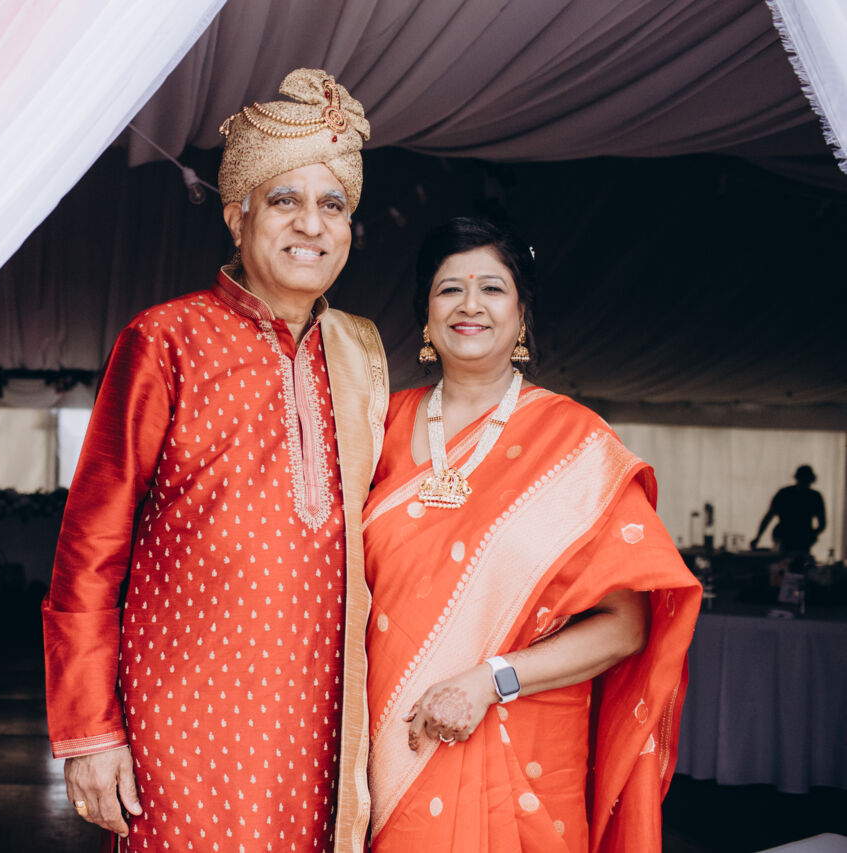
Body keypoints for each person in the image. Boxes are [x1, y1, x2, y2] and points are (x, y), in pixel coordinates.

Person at [42, 68, 386, 852]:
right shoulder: (166, 339)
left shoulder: (359, 355)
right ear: (237, 215)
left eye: (332, 203)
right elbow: (90, 546)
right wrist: (91, 730)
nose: (311, 224)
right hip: (182, 722)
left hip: (324, 722)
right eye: (284, 199)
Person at [363, 217, 700, 852]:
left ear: (521, 315)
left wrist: (491, 679)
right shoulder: (374, 429)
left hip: (523, 749)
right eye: (449, 289)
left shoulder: (574, 443)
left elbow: (626, 627)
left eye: (492, 288)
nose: (469, 305)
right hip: (386, 741)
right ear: (425, 315)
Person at [751, 465, 826, 554]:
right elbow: (822, 523)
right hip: (796, 537)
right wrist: (812, 534)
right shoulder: (814, 496)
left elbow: (769, 515)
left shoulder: (785, 493)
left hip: (788, 536)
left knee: (783, 559)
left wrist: (758, 537)